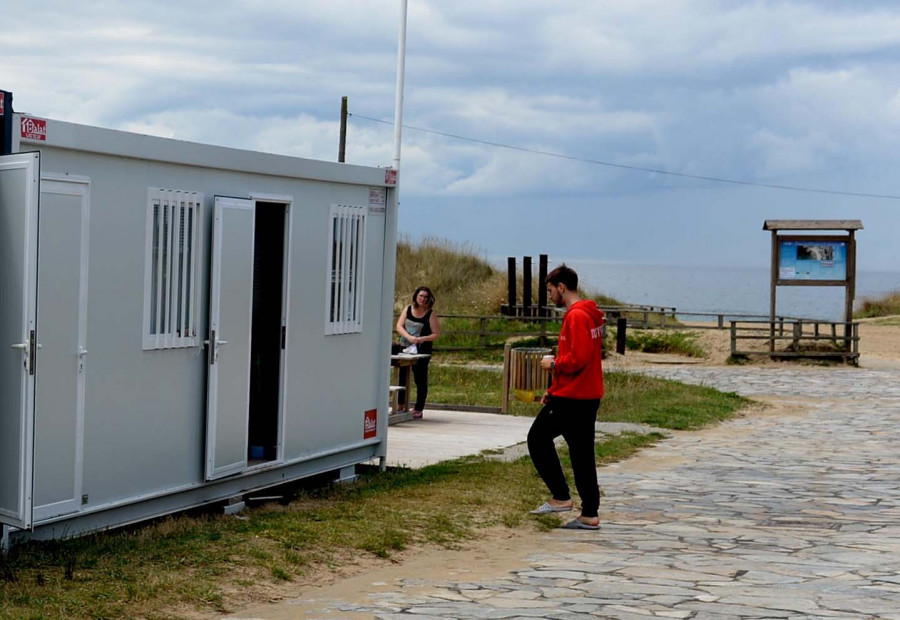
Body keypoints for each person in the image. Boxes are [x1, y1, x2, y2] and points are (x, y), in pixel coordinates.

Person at [527, 264, 605, 530]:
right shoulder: (589, 315)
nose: (549, 296)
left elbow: (579, 358)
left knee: (537, 439)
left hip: (574, 397)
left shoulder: (576, 316)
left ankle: (561, 497)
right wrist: (553, 390)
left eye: (550, 290)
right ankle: (590, 513)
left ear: (561, 287)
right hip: (584, 394)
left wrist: (554, 365)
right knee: (582, 454)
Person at [394, 286, 440, 419]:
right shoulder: (407, 309)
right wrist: (409, 337)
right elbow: (399, 326)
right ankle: (400, 404)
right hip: (405, 347)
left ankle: (419, 408)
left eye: (426, 297)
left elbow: (436, 334)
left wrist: (421, 339)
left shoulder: (430, 314)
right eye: (421, 296)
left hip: (422, 350)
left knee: (420, 378)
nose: (423, 299)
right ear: (415, 297)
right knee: (401, 376)